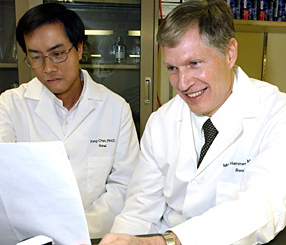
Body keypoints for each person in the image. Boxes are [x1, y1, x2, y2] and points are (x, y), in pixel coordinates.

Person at [99, 0, 286, 244]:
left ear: (230, 53)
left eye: (194, 64)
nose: (183, 83)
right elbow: (140, 211)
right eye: (172, 68)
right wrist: (122, 239)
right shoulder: (161, 122)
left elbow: (261, 207)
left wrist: (167, 241)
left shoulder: (276, 113)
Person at [0, 3, 139, 239]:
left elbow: (124, 186)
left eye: (58, 54)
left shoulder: (116, 109)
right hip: (29, 238)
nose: (48, 68)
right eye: (36, 57)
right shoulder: (9, 107)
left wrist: (75, 231)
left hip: (94, 237)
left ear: (78, 49)